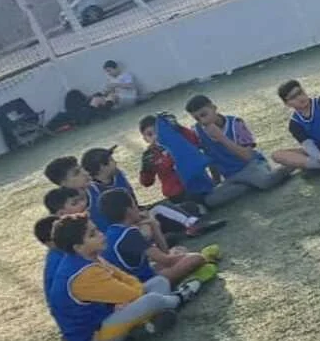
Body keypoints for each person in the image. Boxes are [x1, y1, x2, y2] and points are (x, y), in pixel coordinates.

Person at [42, 214, 199, 341]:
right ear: (78, 247)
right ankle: (180, 297)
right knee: (151, 299)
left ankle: (146, 325)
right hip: (93, 338)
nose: (101, 235)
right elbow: (133, 293)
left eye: (96, 229)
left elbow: (127, 279)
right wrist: (129, 297)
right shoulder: (83, 274)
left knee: (159, 281)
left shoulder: (90, 257)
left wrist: (127, 297)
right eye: (92, 234)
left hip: (108, 316)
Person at [80, 146, 221, 239]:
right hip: (121, 229)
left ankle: (173, 232)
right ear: (101, 167)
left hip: (135, 217)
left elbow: (133, 201)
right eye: (111, 160)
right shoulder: (90, 191)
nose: (115, 162)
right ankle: (192, 225)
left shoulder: (118, 175)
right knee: (160, 210)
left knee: (188, 207)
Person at [97, 189, 217, 287]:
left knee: (178, 250)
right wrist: (193, 256)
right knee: (195, 258)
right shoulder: (128, 234)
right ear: (129, 210)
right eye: (135, 205)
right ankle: (196, 268)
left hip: (139, 276)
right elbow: (166, 260)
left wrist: (155, 226)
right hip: (142, 284)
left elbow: (164, 254)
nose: (138, 209)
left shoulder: (113, 231)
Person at [185, 94, 290, 206]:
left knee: (266, 182)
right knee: (211, 200)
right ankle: (249, 184)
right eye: (197, 118)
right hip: (230, 176)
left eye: (204, 114)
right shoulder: (198, 131)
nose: (202, 121)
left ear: (214, 108)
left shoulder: (236, 123)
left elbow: (248, 156)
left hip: (250, 166)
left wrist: (221, 138)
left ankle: (292, 164)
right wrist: (216, 182)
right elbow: (210, 157)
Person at [139, 114, 204, 208]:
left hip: (196, 185)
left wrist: (179, 128)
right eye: (150, 134)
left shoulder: (177, 141)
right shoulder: (149, 155)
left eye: (158, 131)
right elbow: (147, 183)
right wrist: (145, 169)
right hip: (176, 195)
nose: (155, 136)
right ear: (145, 139)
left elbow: (194, 141)